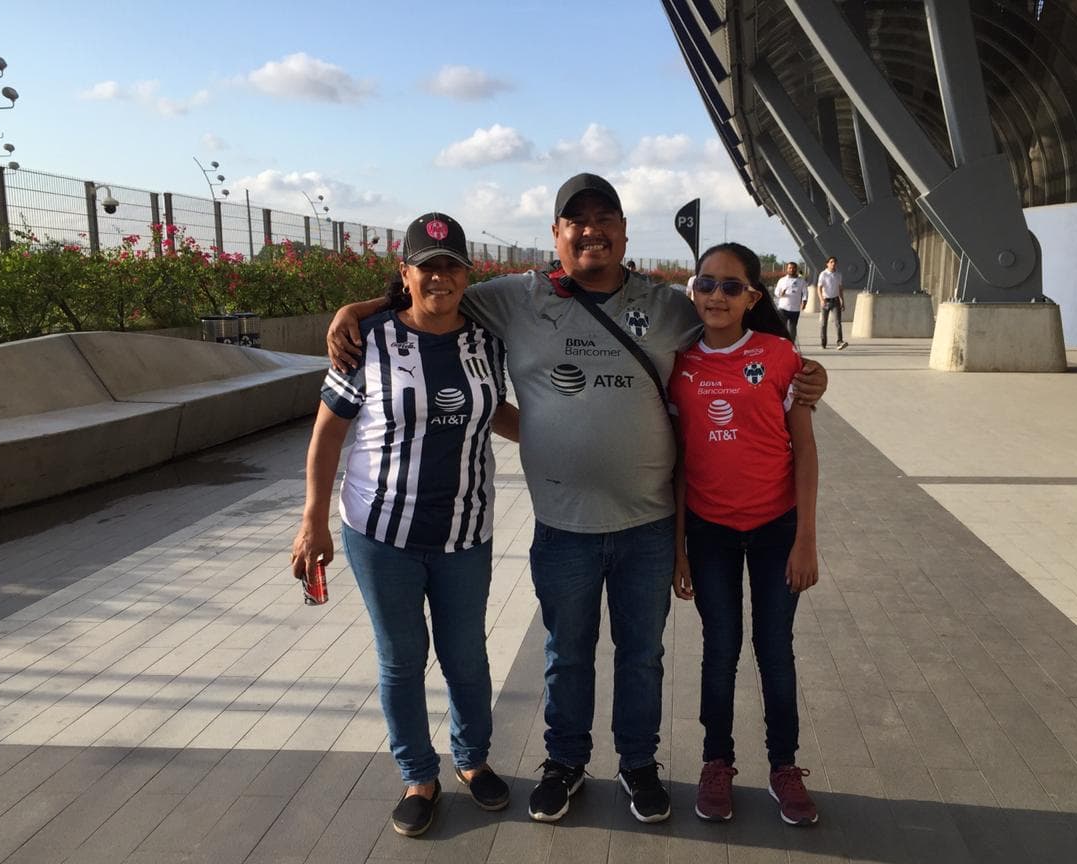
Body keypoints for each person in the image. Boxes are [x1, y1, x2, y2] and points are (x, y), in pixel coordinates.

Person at [326, 173, 829, 826]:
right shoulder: (514, 298)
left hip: (648, 525)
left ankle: (638, 766)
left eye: (604, 218)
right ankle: (564, 763)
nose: (591, 229)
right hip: (562, 527)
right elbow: (432, 295)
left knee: (642, 656)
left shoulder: (669, 305)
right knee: (566, 655)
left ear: (624, 233)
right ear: (556, 235)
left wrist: (806, 369)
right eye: (576, 220)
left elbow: (733, 327)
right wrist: (358, 310)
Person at [291, 212, 518, 838]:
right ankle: (418, 775)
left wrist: (565, 443)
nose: (440, 278)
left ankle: (472, 761)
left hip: (464, 532)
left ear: (467, 273)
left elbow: (493, 409)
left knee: (466, 656)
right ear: (406, 274)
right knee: (401, 658)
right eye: (428, 266)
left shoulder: (486, 340)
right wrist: (312, 520)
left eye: (451, 266)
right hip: (380, 533)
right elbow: (326, 433)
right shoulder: (367, 340)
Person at [670, 242, 820, 826]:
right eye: (706, 284)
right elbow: (680, 462)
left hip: (775, 528)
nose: (716, 296)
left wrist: (806, 537)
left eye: (731, 287)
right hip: (709, 531)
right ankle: (716, 763)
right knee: (720, 649)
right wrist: (680, 543)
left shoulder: (781, 356)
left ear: (754, 297)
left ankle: (784, 766)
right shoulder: (680, 364)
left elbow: (804, 451)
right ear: (693, 290)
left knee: (774, 649)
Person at [773, 261, 806, 343]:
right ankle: (780, 344)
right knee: (781, 328)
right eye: (790, 268)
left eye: (793, 268)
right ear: (787, 269)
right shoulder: (782, 280)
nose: (791, 269)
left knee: (792, 330)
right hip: (783, 308)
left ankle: (791, 345)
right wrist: (781, 293)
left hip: (795, 309)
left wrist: (804, 302)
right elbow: (776, 292)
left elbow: (805, 292)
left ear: (796, 269)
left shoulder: (801, 281)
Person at [818, 255, 846, 350]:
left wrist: (842, 301)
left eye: (834, 262)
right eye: (831, 262)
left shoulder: (838, 274)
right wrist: (821, 299)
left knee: (838, 323)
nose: (833, 264)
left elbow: (840, 289)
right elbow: (819, 288)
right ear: (827, 264)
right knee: (823, 324)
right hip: (826, 301)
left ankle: (840, 342)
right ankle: (823, 342)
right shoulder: (823, 274)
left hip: (835, 301)